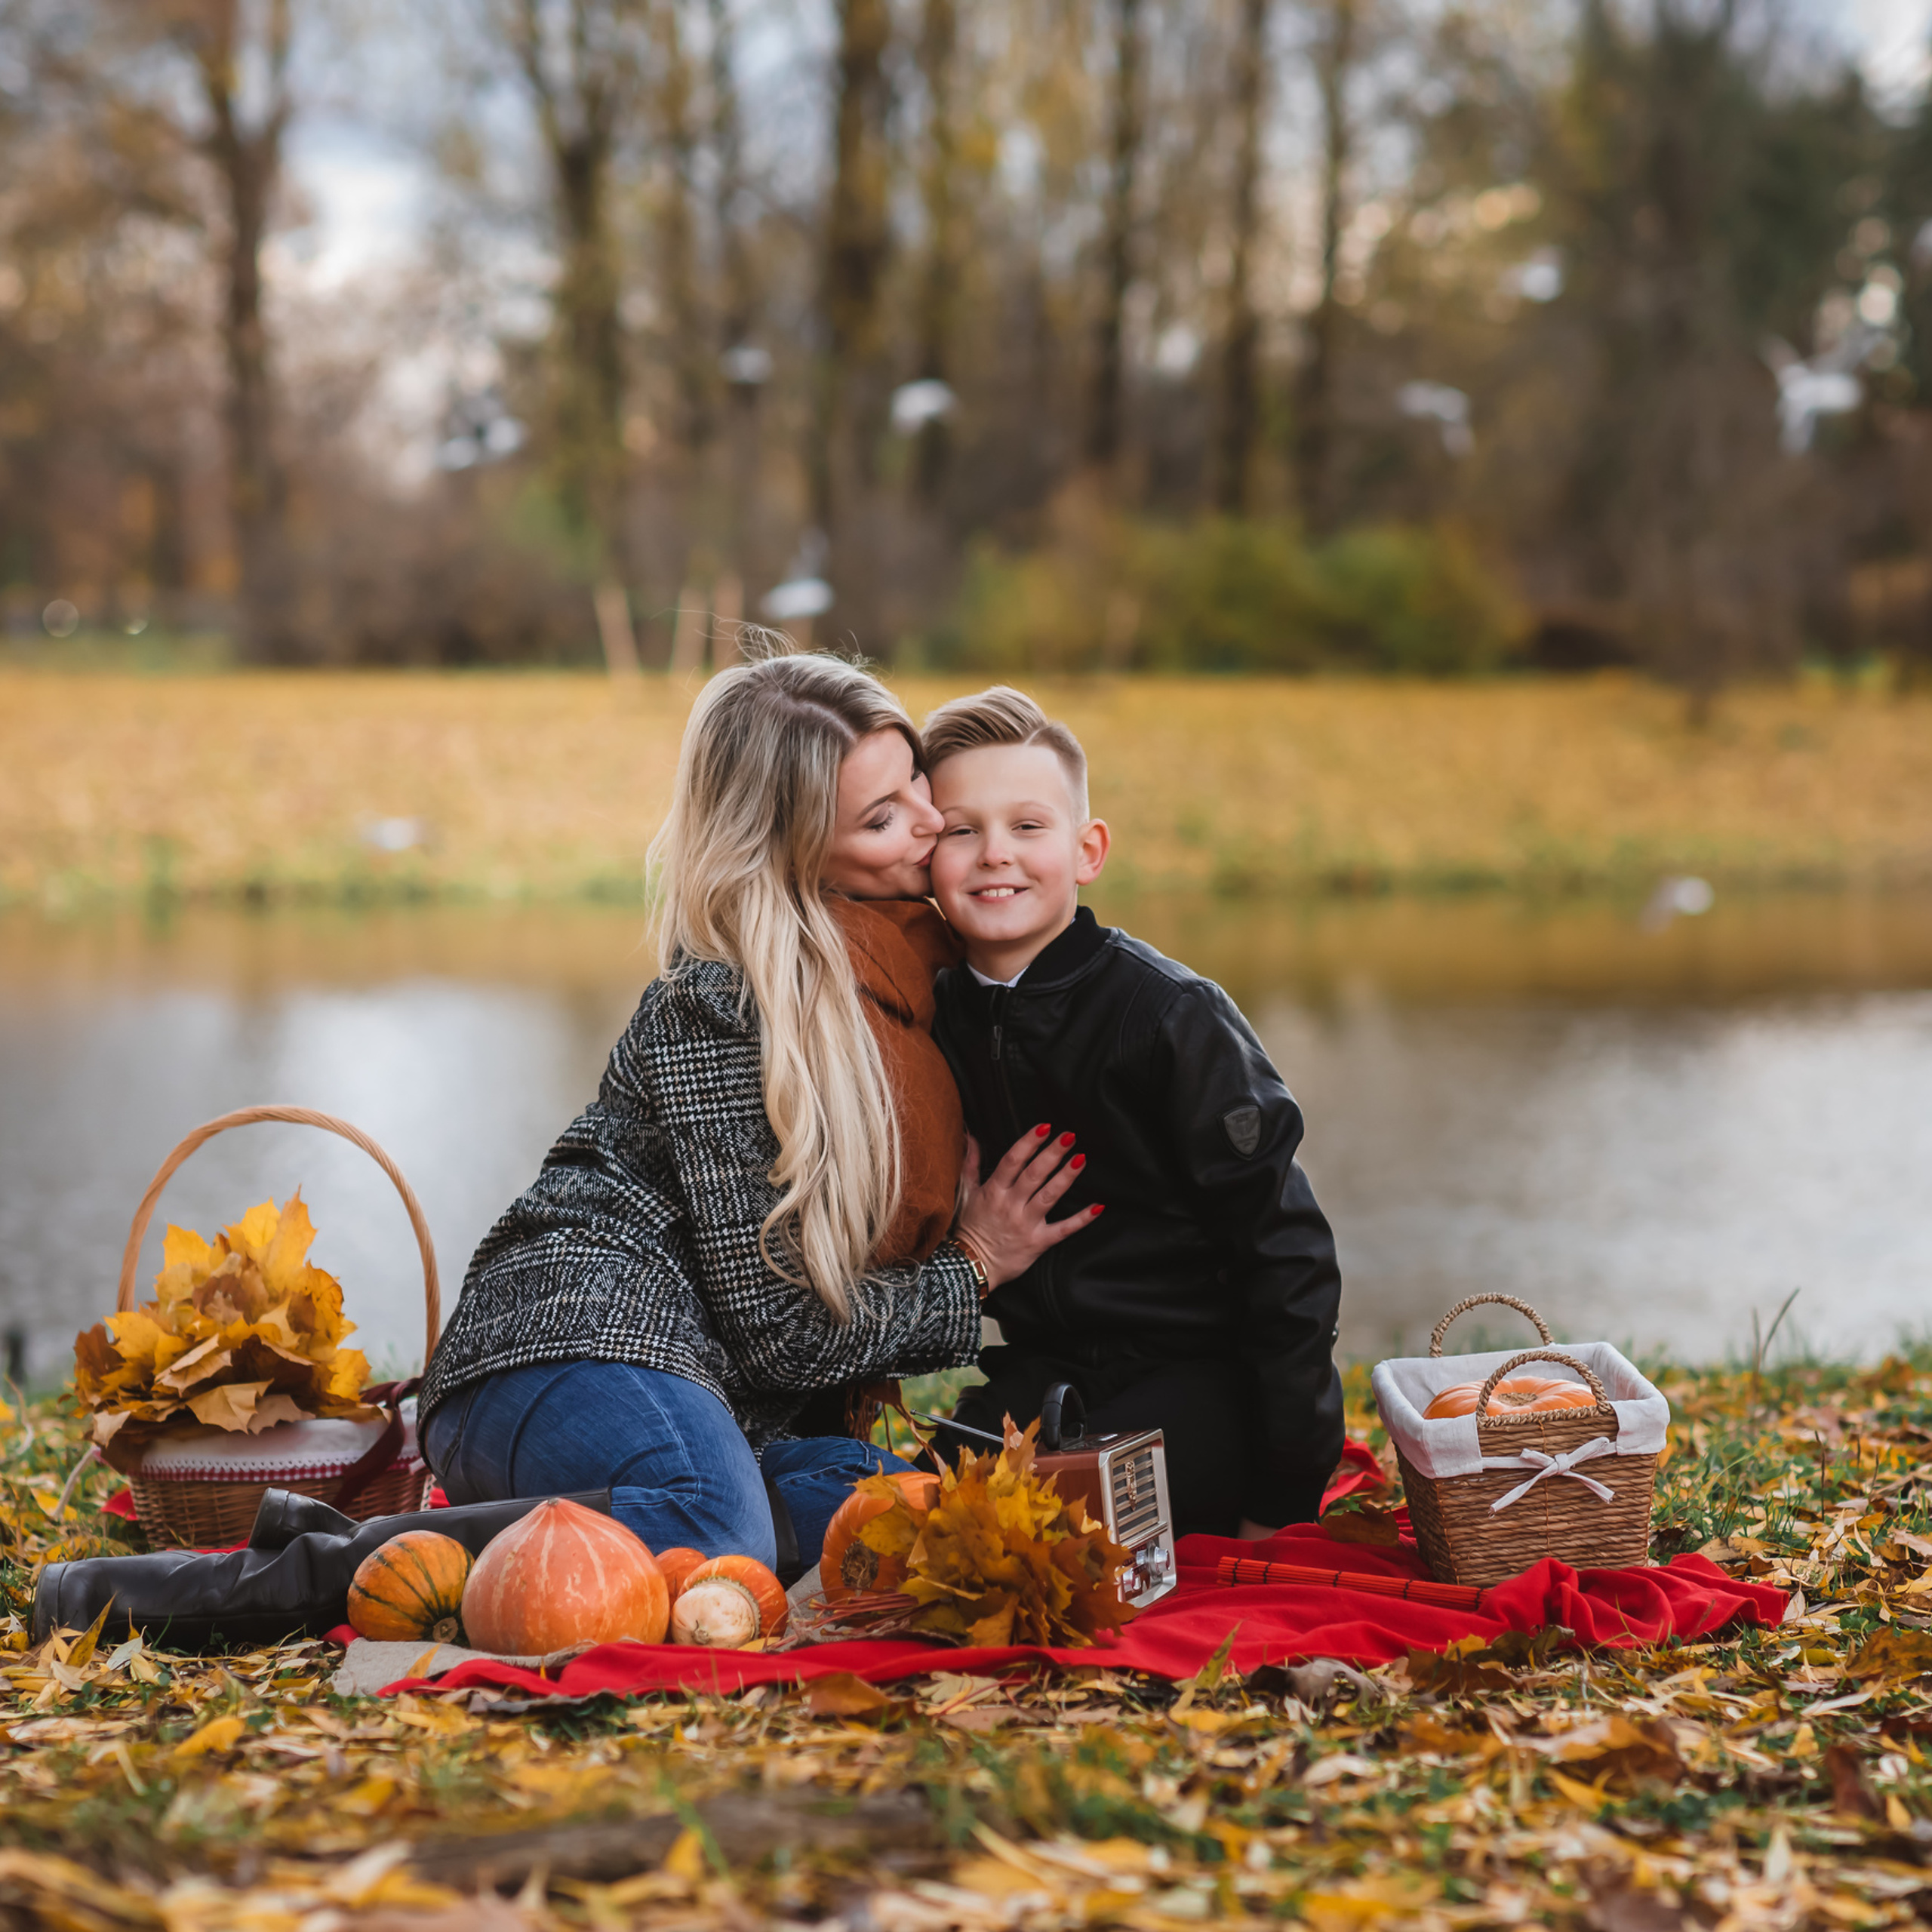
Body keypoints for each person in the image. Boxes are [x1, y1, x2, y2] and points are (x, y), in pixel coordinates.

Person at [417, 651, 1100, 1570]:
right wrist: (973, 1263)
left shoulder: (912, 978)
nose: (931, 825)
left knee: (900, 1514)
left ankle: (642, 1510)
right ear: (791, 850)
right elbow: (782, 1334)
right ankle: (377, 1555)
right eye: (883, 817)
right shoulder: (722, 1005)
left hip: (724, 1400)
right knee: (712, 1527)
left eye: (914, 786)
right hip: (564, 1344)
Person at [921, 685, 1343, 1539]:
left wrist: (1289, 1483)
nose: (994, 854)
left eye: (1028, 827)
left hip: (1193, 1375)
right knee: (908, 1529)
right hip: (1040, 1371)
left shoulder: (1169, 1017)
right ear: (926, 856)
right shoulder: (931, 1016)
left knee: (1057, 1533)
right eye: (961, 830)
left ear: (1088, 850)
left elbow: (1285, 1250)